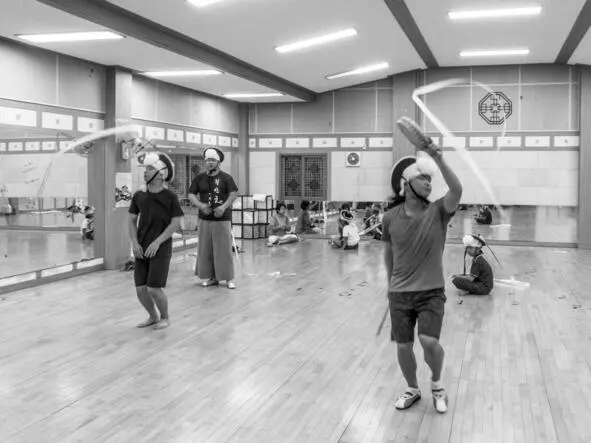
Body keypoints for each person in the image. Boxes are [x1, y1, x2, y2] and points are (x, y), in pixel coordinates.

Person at [382, 141, 463, 414]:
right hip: (400, 294)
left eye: (430, 179)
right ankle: (412, 388)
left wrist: (439, 159)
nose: (429, 183)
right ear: (406, 185)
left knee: (429, 341)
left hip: (431, 292)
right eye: (423, 178)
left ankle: (437, 384)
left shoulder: (439, 211)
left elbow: (457, 190)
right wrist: (389, 285)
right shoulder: (389, 218)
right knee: (404, 347)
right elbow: (389, 253)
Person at [128, 151, 183, 330]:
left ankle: (165, 317)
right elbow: (131, 220)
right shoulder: (139, 195)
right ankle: (153, 316)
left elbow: (175, 223)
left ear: (161, 174)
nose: (145, 172)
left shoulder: (170, 197)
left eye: (150, 169)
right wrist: (135, 243)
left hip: (161, 247)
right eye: (145, 169)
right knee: (141, 289)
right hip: (141, 247)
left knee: (153, 288)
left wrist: (158, 242)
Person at [188, 147, 238, 289]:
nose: (210, 163)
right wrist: (200, 205)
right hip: (205, 218)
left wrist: (224, 206)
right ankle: (211, 278)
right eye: (208, 160)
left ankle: (228, 278)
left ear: (218, 162)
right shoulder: (200, 178)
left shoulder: (226, 178)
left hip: (222, 219)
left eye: (213, 160)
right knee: (206, 249)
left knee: (224, 249)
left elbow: (233, 193)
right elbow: (191, 194)